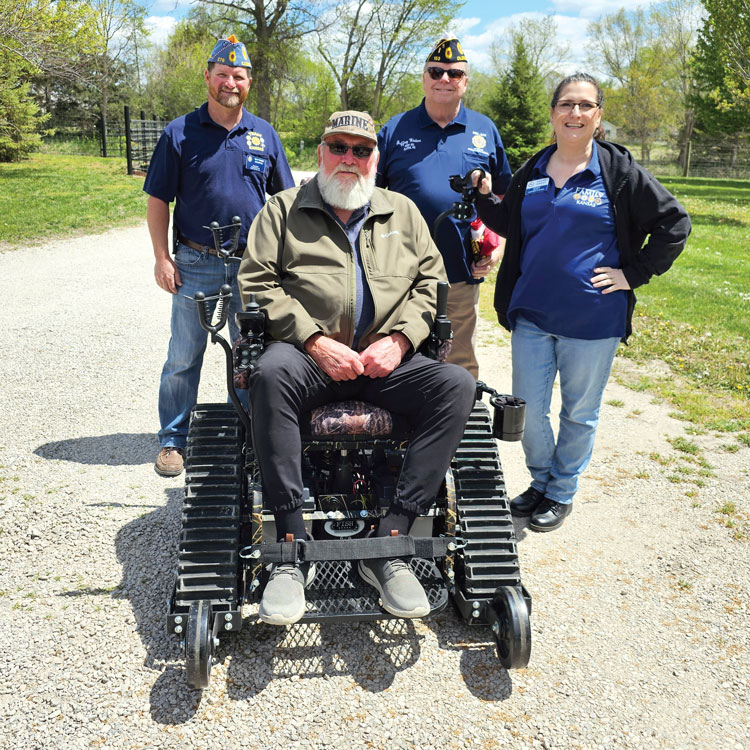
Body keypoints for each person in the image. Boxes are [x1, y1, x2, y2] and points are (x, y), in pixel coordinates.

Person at [237, 110, 477, 625]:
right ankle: (290, 548)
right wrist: (314, 340)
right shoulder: (281, 211)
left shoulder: (403, 213)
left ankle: (392, 541)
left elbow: (431, 286)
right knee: (270, 374)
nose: (349, 158)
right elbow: (257, 282)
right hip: (306, 358)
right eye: (338, 147)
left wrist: (401, 338)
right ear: (321, 151)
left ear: (375, 158)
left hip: (384, 360)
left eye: (361, 150)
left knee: (457, 385)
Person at [473, 72, 691, 532]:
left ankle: (561, 490)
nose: (575, 113)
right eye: (566, 104)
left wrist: (633, 274)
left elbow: (675, 224)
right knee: (527, 408)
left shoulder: (619, 173)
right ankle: (540, 480)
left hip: (593, 318)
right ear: (552, 114)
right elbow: (511, 222)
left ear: (598, 115)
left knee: (578, 411)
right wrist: (483, 195)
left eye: (585, 105)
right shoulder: (534, 168)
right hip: (531, 312)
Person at [144, 35, 294, 477]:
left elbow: (284, 200)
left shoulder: (264, 134)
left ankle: (251, 435)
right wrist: (161, 257)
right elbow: (157, 200)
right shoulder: (180, 132)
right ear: (208, 77)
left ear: (249, 82)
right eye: (223, 74)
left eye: (239, 76)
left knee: (253, 356)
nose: (231, 82)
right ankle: (173, 439)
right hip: (195, 261)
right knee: (184, 355)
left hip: (252, 266)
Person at [376, 37, 512, 378]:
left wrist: (498, 245)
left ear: (465, 82)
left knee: (459, 360)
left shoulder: (485, 130)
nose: (444, 79)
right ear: (423, 78)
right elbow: (370, 199)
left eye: (454, 73)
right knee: (398, 357)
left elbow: (505, 200)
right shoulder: (394, 130)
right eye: (435, 71)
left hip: (460, 274)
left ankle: (459, 426)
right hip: (400, 274)